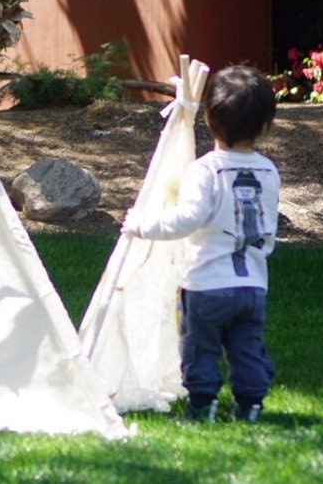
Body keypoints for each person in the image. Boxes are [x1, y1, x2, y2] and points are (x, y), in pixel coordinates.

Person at [124, 64, 280, 424]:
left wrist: (143, 225)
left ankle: (203, 405)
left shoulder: (206, 170)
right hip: (252, 285)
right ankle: (251, 405)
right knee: (247, 349)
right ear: (264, 126)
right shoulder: (269, 171)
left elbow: (186, 219)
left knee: (201, 348)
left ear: (209, 120)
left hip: (207, 285)